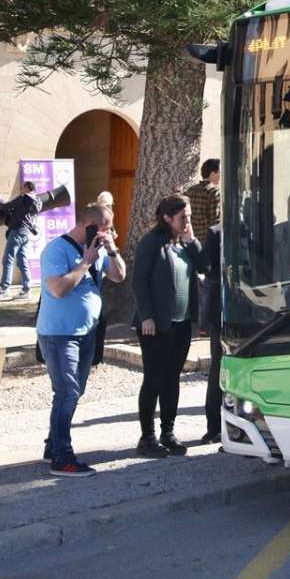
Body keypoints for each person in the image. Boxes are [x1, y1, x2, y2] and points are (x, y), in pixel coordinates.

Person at [39, 202, 126, 477]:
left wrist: (111, 250)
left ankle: (53, 444)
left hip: (87, 331)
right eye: (105, 229)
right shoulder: (56, 249)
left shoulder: (100, 250)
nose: (108, 233)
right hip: (59, 334)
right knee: (67, 393)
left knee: (75, 392)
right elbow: (59, 289)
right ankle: (62, 458)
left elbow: (119, 276)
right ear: (88, 226)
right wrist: (86, 260)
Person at [131, 193, 203, 457]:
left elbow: (205, 264)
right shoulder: (151, 242)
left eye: (189, 216)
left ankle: (168, 433)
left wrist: (191, 239)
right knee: (154, 378)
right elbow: (139, 282)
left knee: (172, 378)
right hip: (155, 324)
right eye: (183, 217)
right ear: (167, 217)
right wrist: (146, 315)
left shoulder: (183, 243)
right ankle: (147, 437)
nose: (187, 221)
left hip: (181, 323)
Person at [0, 180, 45, 299]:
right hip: (26, 233)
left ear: (27, 188)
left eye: (22, 187)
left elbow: (7, 206)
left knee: (8, 259)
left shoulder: (24, 198)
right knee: (22, 261)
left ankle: (4, 289)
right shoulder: (38, 201)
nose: (20, 189)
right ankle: (26, 290)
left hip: (17, 231)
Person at [199, 221, 223, 445]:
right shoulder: (216, 232)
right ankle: (214, 426)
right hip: (222, 313)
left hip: (258, 310)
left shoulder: (265, 223)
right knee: (218, 368)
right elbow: (206, 269)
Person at [184, 159, 221, 241]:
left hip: (191, 238)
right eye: (220, 172)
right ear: (212, 174)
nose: (221, 176)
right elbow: (215, 221)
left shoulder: (190, 190)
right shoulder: (214, 191)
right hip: (207, 240)